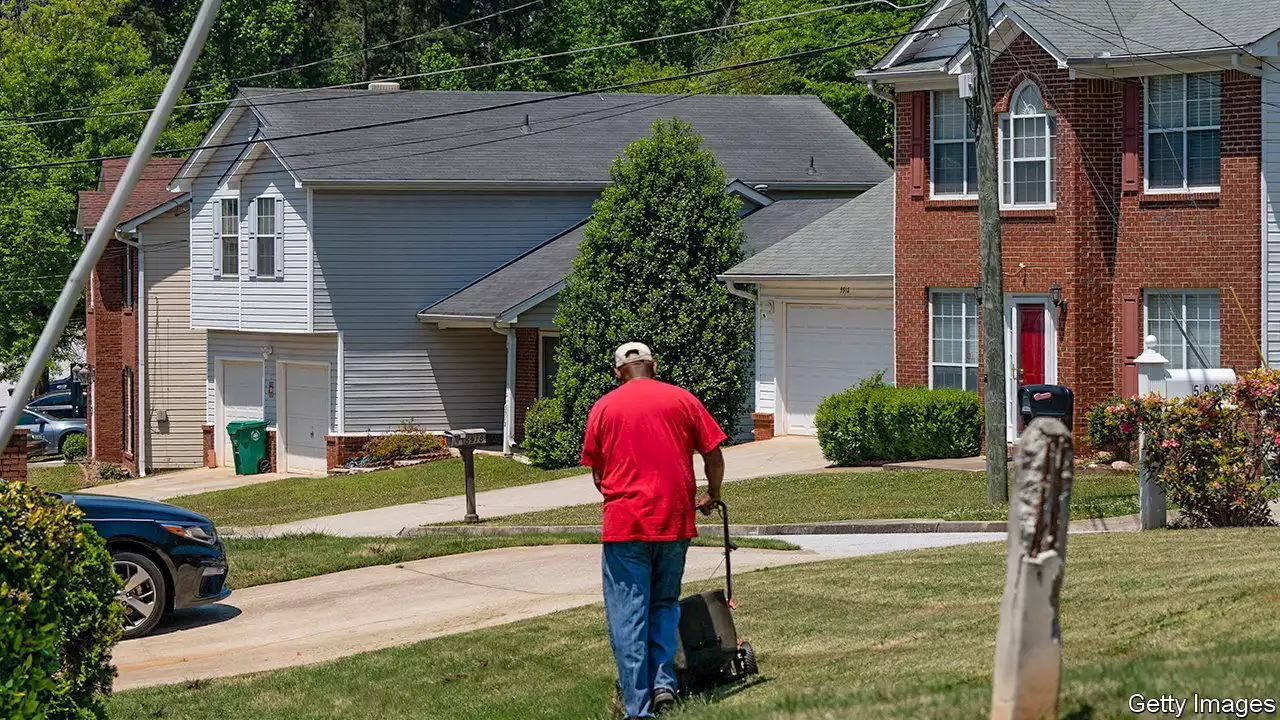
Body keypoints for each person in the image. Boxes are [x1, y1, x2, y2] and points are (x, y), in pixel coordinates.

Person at [580, 341, 727, 719]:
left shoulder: (603, 408)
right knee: (663, 604)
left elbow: (598, 474)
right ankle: (664, 684)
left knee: (628, 615)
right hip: (674, 521)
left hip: (625, 525)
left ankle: (638, 708)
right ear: (653, 365)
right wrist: (713, 493)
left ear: (618, 372)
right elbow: (713, 453)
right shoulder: (682, 400)